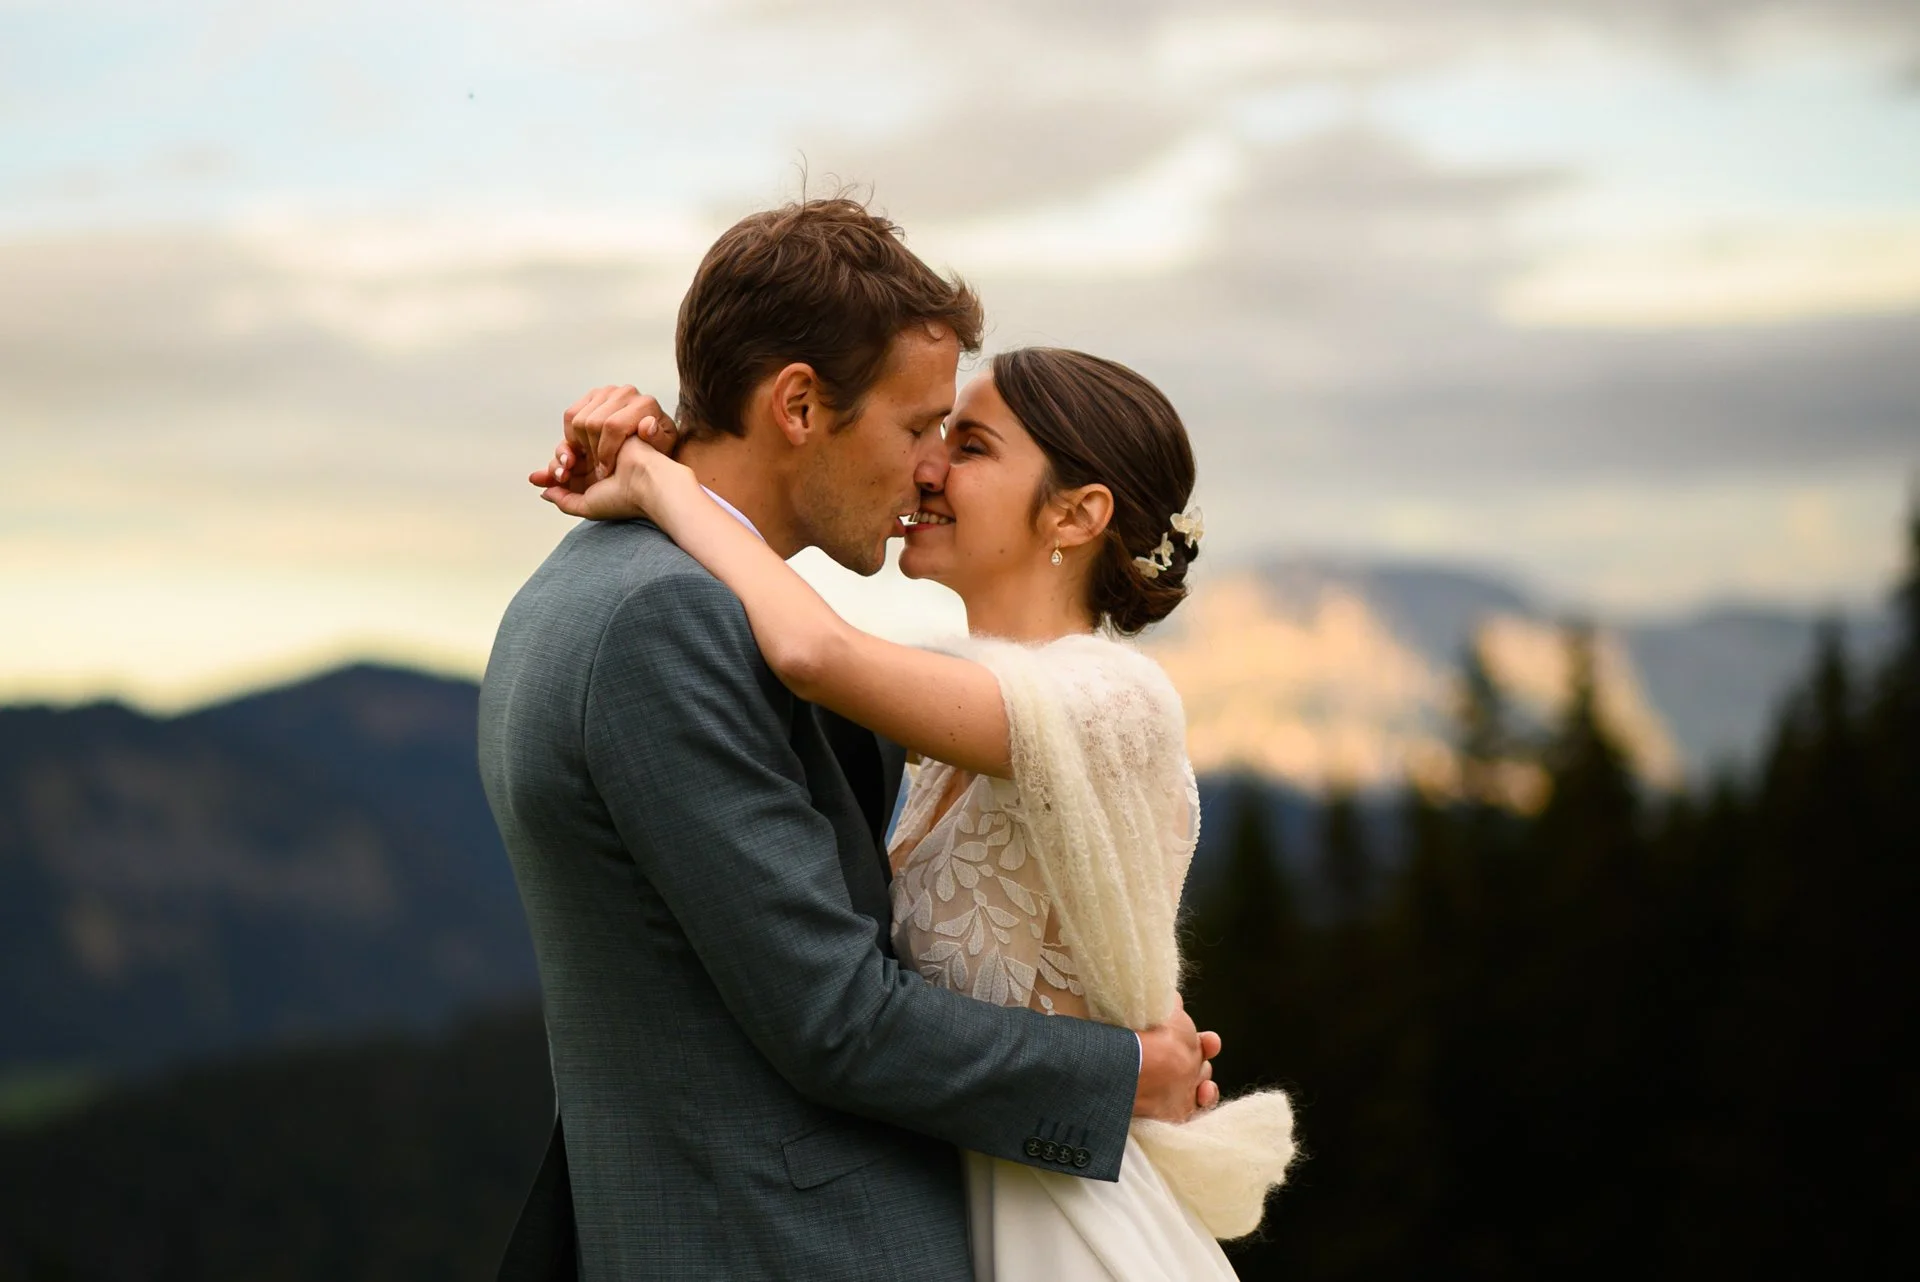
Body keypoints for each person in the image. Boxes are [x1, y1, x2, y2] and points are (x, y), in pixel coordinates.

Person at [479, 198, 1221, 1282]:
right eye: (923, 427)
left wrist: (660, 464)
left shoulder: (639, 598)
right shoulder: (665, 617)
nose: (929, 470)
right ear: (797, 405)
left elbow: (827, 684)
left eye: (958, 442)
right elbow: (834, 1016)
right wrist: (1119, 1072)